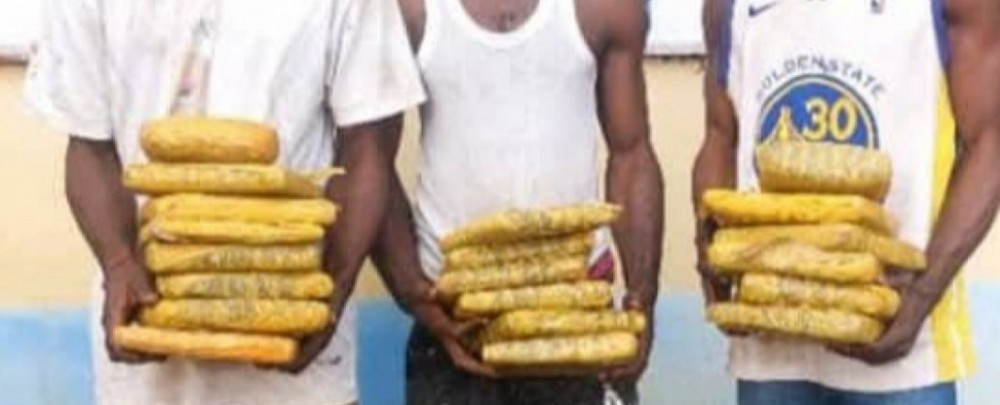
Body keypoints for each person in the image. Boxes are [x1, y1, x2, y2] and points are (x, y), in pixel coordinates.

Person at [24, 0, 425, 404]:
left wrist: (330, 290)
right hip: (146, 349)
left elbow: (368, 143)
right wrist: (118, 263)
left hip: (296, 361)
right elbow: (89, 143)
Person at [695, 0, 1000, 403]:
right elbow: (721, 134)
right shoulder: (727, 6)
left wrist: (921, 296)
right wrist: (711, 246)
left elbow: (989, 141)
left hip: (902, 344)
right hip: (771, 342)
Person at [373, 0, 664, 404]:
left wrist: (642, 298)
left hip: (577, 313)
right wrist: (417, 296)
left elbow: (631, 154)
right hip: (456, 314)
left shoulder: (603, 9)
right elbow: (370, 160)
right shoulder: (409, 11)